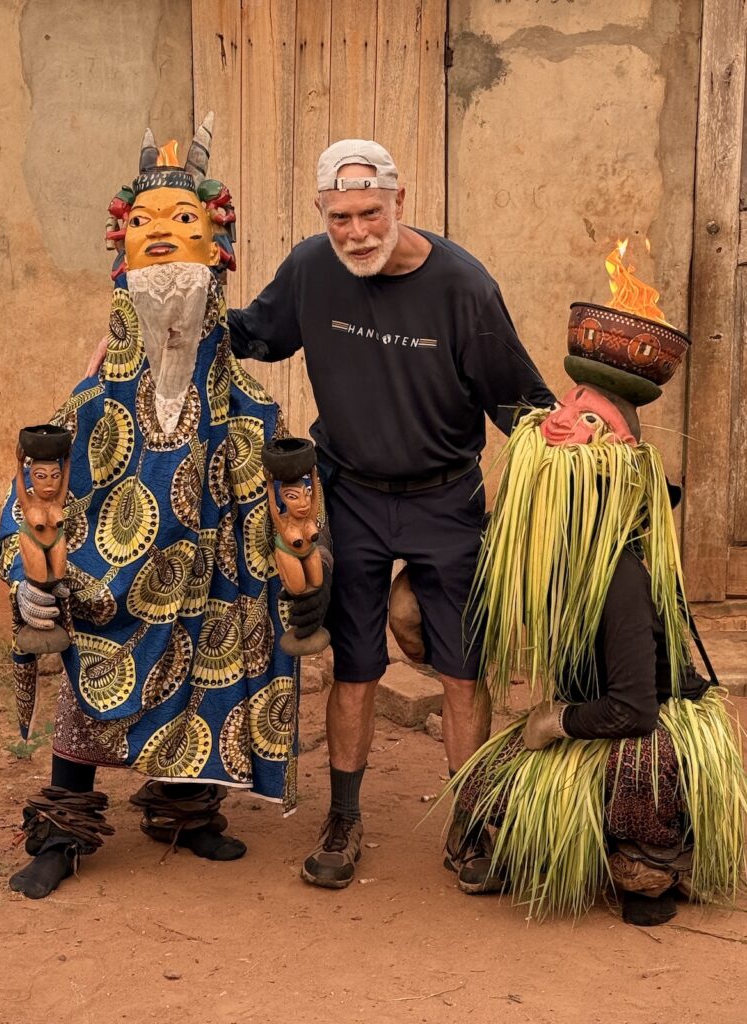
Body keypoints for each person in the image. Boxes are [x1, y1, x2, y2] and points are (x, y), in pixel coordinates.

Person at [0, 114, 312, 899]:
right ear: (122, 252)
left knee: (217, 649)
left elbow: (286, 495)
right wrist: (32, 570)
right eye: (142, 224)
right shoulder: (90, 403)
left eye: (183, 220)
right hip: (116, 577)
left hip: (204, 574)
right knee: (87, 667)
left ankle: (185, 807)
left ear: (216, 249)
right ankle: (64, 828)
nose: (161, 234)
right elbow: (34, 499)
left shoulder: (245, 405)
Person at [225, 139, 555, 888]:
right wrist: (161, 323)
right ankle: (343, 818)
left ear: (399, 203)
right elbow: (252, 333)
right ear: (322, 213)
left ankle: (469, 824)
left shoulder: (463, 286)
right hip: (350, 494)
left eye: (370, 211)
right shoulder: (312, 269)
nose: (356, 231)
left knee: (464, 673)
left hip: (447, 498)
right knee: (355, 667)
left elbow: (522, 404)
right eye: (339, 215)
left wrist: (584, 445)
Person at [447, 334, 747, 925]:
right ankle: (547, 845)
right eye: (564, 405)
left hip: (645, 725)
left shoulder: (620, 577)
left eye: (586, 418)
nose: (558, 423)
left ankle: (650, 862)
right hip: (593, 720)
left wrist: (553, 720)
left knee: (640, 772)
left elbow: (634, 709)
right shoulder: (545, 559)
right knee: (486, 784)